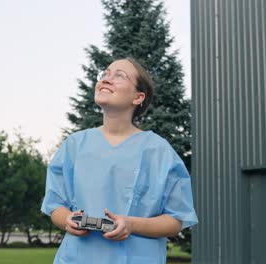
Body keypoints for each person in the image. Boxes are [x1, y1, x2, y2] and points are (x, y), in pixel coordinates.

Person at [41, 57, 198, 263]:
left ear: (138, 97)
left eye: (119, 76)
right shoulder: (75, 145)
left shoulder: (158, 151)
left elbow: (176, 219)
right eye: (105, 74)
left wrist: (131, 224)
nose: (107, 79)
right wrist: (67, 220)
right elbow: (55, 205)